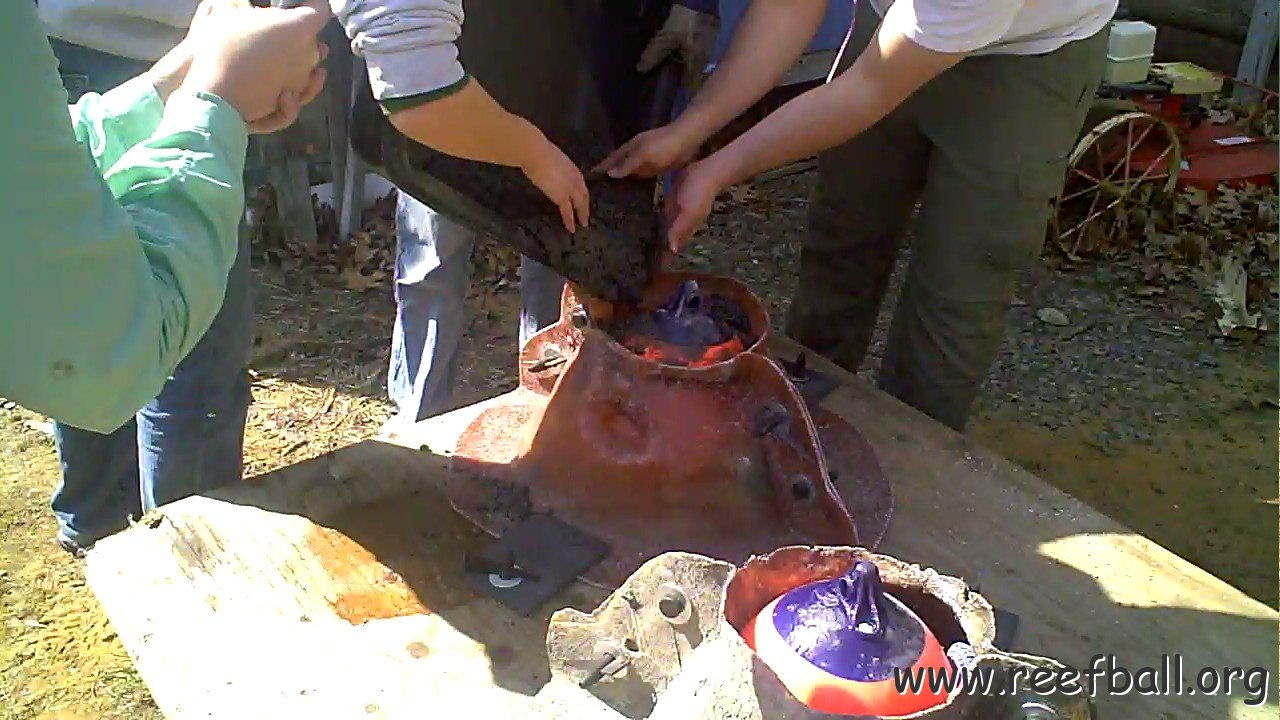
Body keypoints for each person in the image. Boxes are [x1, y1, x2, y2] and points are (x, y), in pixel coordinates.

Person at [603, 0, 1115, 432]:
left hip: (1030, 56)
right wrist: (691, 129)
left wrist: (715, 170)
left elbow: (869, 88)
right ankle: (794, 417)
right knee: (843, 238)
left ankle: (912, 463)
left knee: (957, 290)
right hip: (898, 23)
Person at [3, 0, 329, 553]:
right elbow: (108, 348)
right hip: (191, 47)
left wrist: (165, 89)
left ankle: (99, 534)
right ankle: (189, 564)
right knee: (194, 368)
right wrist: (215, 105)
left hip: (106, 46)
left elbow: (40, 217)